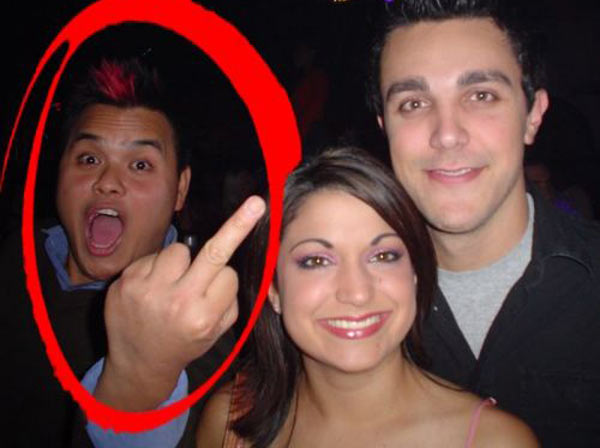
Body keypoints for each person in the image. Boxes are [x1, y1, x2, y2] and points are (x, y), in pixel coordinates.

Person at [367, 0, 600, 446]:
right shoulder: (346, 303)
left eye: (481, 95)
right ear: (384, 127)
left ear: (533, 115)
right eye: (413, 103)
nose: (447, 134)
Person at [1, 58, 265, 448]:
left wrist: (144, 377)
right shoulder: (15, 253)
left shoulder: (197, 330)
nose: (108, 182)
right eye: (89, 159)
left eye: (140, 165)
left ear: (180, 190)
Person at [195, 147, 538, 447]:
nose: (357, 292)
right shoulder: (230, 424)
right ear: (274, 290)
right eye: (316, 261)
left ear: (415, 274)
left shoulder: (495, 441)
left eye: (383, 256)